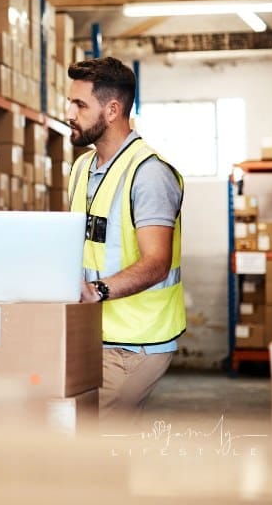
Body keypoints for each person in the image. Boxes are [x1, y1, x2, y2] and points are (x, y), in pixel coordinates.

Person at [65, 57, 186, 424]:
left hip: (136, 344)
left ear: (113, 109)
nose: (69, 112)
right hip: (94, 334)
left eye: (80, 104)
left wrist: (96, 291)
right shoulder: (82, 168)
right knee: (96, 449)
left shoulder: (148, 174)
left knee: (91, 437)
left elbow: (156, 262)